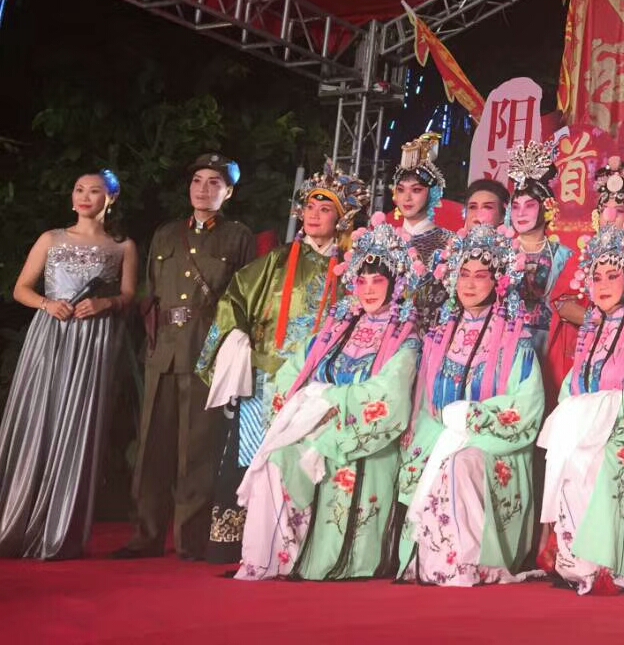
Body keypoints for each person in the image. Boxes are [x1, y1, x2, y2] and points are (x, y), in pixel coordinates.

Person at [195, 160, 369, 561]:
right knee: (252, 456)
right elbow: (234, 299)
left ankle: (303, 547)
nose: (314, 215)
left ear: (342, 219)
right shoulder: (274, 263)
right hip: (268, 378)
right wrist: (236, 344)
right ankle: (240, 545)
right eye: (309, 207)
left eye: (324, 209)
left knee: (310, 461)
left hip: (323, 385)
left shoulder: (353, 269)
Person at [233, 217, 420, 581]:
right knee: (276, 457)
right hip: (315, 426)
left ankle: (332, 560)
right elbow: (294, 370)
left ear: (396, 283)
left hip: (359, 439)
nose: (368, 289)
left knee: (336, 464)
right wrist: (304, 405)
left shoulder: (405, 336)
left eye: (378, 280)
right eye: (362, 280)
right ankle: (273, 558)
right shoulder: (338, 326)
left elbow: (390, 397)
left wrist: (328, 400)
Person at [114, 153, 256, 562]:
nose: (203, 190)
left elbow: (245, 297)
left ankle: (190, 538)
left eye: (214, 183)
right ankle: (146, 534)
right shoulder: (166, 234)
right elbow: (151, 294)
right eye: (197, 181)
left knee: (197, 448)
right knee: (151, 446)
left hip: (206, 350)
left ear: (229, 192)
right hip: (163, 350)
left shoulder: (237, 236)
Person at [0, 170, 138, 560]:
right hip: (49, 336)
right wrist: (47, 304)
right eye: (79, 189)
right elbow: (20, 289)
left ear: (111, 199)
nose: (84, 196)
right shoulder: (51, 239)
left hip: (93, 342)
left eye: (95, 191)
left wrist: (105, 303)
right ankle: (16, 519)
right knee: (38, 419)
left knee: (78, 425)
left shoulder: (122, 246)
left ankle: (58, 529)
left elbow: (129, 295)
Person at [397, 225, 544, 586]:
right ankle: (434, 559)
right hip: (440, 440)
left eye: (481, 276)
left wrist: (473, 419)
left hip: (492, 447)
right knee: (441, 460)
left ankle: (467, 561)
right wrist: (439, 434)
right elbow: (425, 407)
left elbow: (527, 406)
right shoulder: (438, 338)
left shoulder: (515, 339)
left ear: (498, 282)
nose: (470, 283)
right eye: (464, 274)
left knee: (460, 463)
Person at [536, 221, 624, 595]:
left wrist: (602, 415)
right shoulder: (590, 336)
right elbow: (571, 392)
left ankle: (606, 562)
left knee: (596, 457)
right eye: (596, 277)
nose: (602, 285)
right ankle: (573, 558)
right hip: (594, 431)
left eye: (612, 276)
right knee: (568, 454)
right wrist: (580, 418)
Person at [544, 157, 624, 404]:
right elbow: (561, 303)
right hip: (594, 340)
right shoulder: (587, 252)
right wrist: (600, 321)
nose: (610, 217)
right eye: (604, 210)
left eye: (619, 211)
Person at [506, 140, 572, 361]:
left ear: (548, 208)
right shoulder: (500, 251)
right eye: (516, 206)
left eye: (530, 205)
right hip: (504, 341)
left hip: (547, 344)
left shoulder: (563, 256)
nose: (520, 213)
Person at [391, 133, 453, 332]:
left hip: (431, 335)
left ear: (432, 192)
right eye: (401, 190)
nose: (407, 198)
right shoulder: (384, 240)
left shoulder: (448, 243)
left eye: (416, 190)